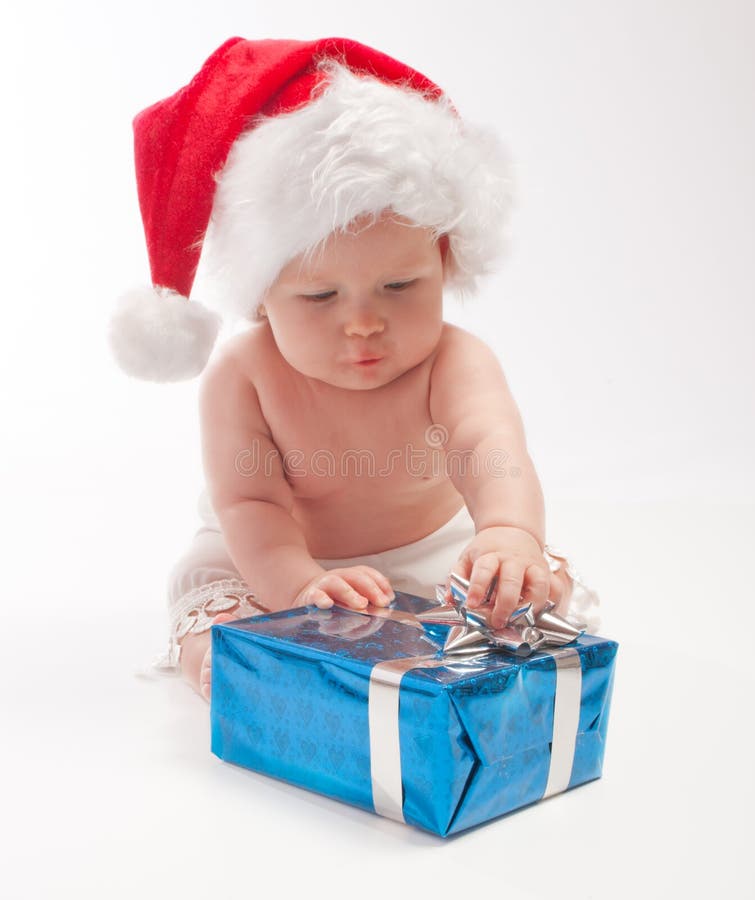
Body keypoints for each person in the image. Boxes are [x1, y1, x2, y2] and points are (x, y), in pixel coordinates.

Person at [109, 37, 600, 701]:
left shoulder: (454, 361)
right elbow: (249, 501)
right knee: (211, 596)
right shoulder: (244, 374)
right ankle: (241, 660)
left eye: (400, 287)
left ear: (444, 267)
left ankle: (462, 628)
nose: (363, 322)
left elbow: (489, 450)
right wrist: (297, 586)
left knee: (525, 587)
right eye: (319, 296)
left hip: (431, 551)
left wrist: (507, 535)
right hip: (271, 554)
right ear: (260, 297)